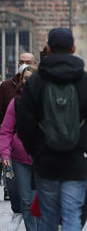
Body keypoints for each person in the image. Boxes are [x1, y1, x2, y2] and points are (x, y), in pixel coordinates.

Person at [17, 28, 87, 231]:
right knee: (72, 215)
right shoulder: (85, 80)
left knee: (49, 217)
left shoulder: (35, 81)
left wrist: (35, 151)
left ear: (48, 48)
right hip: (75, 160)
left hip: (46, 161)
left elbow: (24, 124)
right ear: (73, 49)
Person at [0, 65, 38, 231]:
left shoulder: (46, 101)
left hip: (42, 159)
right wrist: (5, 153)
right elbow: (6, 131)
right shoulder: (15, 103)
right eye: (26, 78)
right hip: (20, 160)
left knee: (40, 200)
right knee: (26, 201)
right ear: (21, 81)